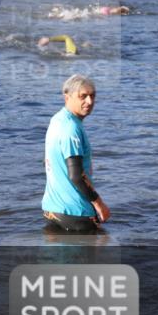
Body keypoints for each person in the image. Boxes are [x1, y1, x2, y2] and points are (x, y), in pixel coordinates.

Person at [42, 74, 111, 232]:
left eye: (92, 96)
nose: (90, 101)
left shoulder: (57, 120)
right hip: (76, 213)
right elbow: (77, 175)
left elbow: (48, 162)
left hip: (52, 209)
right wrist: (99, 205)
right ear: (67, 97)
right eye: (83, 96)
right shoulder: (71, 129)